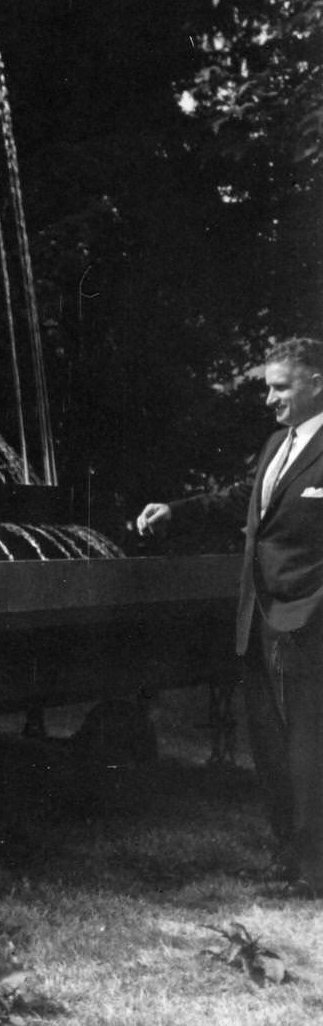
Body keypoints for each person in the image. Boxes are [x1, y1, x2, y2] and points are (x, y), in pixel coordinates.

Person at [136, 337, 323, 895]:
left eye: (281, 386)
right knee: (269, 743)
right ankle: (286, 859)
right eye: (268, 386)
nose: (269, 398)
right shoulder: (276, 444)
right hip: (260, 619)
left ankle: (316, 870)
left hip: (309, 621)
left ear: (318, 382)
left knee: (310, 744)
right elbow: (247, 499)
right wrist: (178, 512)